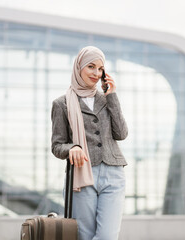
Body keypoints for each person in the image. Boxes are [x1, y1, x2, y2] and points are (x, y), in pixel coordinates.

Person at [51, 46, 128, 240]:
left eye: (101, 69)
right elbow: (57, 145)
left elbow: (121, 133)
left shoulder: (107, 99)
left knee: (107, 237)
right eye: (91, 67)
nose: (96, 73)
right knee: (85, 236)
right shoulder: (62, 104)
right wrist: (72, 148)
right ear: (79, 68)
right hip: (82, 175)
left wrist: (112, 96)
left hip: (114, 173)